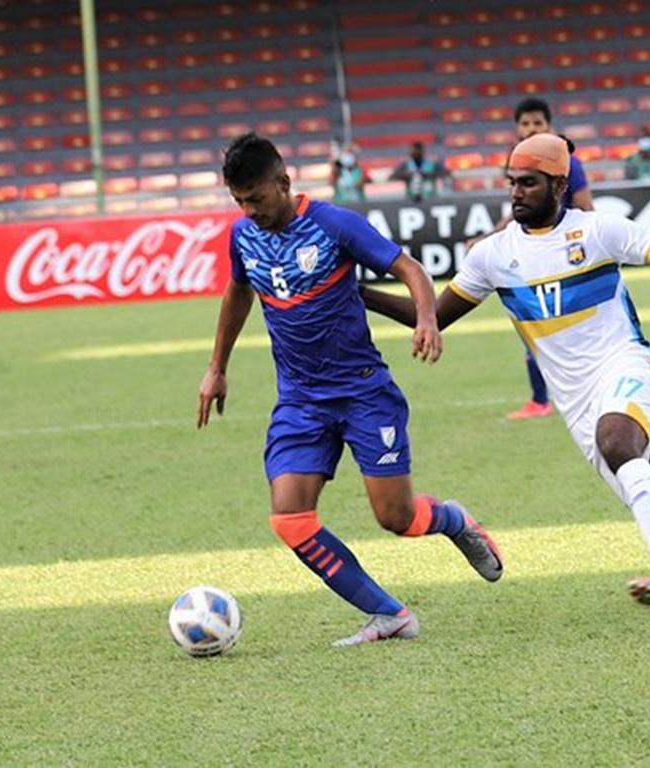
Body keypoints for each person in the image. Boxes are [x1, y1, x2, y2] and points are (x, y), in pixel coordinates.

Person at [360, 134, 650, 620]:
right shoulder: (492, 256)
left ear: (560, 185)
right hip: (578, 405)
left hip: (629, 367)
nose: (516, 193)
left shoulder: (598, 231)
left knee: (616, 440)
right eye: (511, 183)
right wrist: (359, 291)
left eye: (529, 183)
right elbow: (431, 315)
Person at [197, 133, 503, 647]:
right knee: (290, 517)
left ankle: (454, 520)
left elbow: (410, 269)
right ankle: (390, 615)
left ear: (284, 182)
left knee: (396, 518)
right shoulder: (242, 237)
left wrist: (427, 318)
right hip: (299, 400)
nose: (250, 210)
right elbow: (238, 291)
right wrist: (217, 367)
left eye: (257, 198)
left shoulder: (335, 224)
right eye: (239, 201)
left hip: (363, 392)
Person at [501, 98, 595, 421]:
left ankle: (549, 398)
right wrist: (489, 237)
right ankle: (542, 399)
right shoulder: (518, 163)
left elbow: (585, 208)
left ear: (549, 126)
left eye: (537, 123)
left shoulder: (568, 163)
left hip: (565, 257)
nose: (530, 129)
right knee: (534, 326)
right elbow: (516, 215)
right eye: (525, 124)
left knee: (563, 326)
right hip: (532, 259)